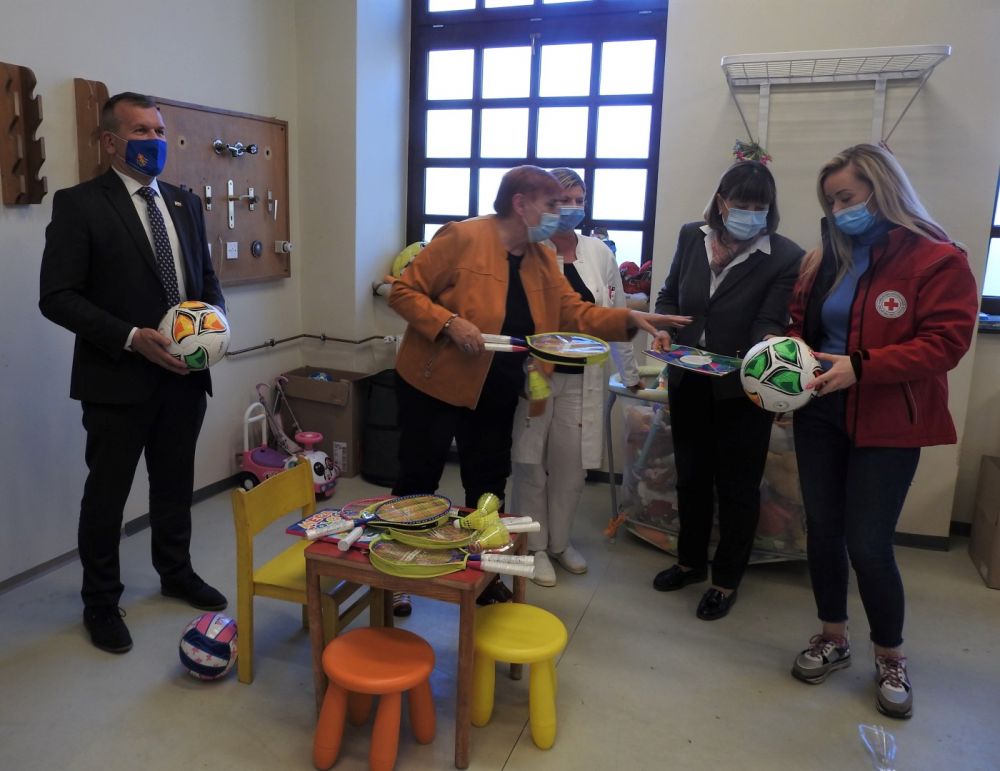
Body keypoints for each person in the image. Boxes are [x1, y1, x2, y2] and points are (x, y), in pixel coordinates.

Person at [389, 165, 691, 603]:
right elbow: (403, 291)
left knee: (488, 485)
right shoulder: (462, 237)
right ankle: (398, 574)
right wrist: (450, 322)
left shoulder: (541, 259)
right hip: (432, 382)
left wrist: (629, 319)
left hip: (496, 388)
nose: (560, 213)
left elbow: (574, 312)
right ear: (520, 203)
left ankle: (483, 578)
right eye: (552, 204)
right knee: (419, 478)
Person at [786, 143, 978, 719]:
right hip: (820, 412)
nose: (838, 209)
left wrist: (862, 367)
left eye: (846, 196)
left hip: (889, 419)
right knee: (823, 532)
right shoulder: (825, 257)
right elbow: (802, 323)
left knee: (868, 544)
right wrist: (789, 348)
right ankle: (832, 636)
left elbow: (945, 344)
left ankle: (890, 655)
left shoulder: (938, 259)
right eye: (830, 201)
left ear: (882, 188)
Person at [39, 92, 228, 654]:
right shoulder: (79, 205)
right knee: (107, 496)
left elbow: (205, 281)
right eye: (142, 130)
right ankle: (100, 602)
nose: (155, 140)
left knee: (174, 486)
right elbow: (57, 296)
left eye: (159, 130)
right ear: (110, 141)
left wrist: (214, 327)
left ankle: (176, 572)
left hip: (183, 379)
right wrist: (131, 337)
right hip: (116, 380)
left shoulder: (184, 203)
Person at [650, 160, 804, 620]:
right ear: (721, 202)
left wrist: (760, 352)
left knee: (738, 487)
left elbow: (769, 320)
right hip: (688, 378)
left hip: (743, 390)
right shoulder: (690, 237)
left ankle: (726, 580)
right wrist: (664, 330)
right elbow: (670, 295)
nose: (750, 215)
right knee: (691, 477)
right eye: (741, 205)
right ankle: (689, 562)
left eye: (760, 207)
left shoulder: (784, 255)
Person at [509, 168, 641, 587]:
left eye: (579, 200)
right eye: (562, 200)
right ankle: (532, 546)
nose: (571, 208)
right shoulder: (528, 248)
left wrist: (631, 375)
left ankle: (560, 542)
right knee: (530, 462)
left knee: (571, 467)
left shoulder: (598, 252)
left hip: (583, 378)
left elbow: (615, 314)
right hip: (535, 376)